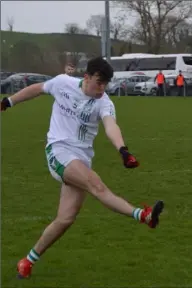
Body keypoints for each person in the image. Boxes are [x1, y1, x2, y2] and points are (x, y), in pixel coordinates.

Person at [0, 57, 164, 278]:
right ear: (86, 77)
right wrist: (8, 102)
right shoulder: (63, 83)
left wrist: (123, 150)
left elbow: (110, 125)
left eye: (105, 83)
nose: (102, 88)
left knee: (65, 219)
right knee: (96, 185)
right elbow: (38, 89)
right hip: (58, 152)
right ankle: (143, 215)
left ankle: (27, 261)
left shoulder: (104, 102)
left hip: (81, 159)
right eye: (98, 82)